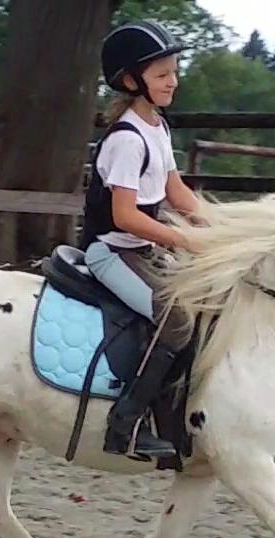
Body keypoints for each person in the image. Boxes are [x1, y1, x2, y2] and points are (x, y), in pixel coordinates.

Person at [81, 20, 201, 461]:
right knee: (176, 322)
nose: (173, 81)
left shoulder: (157, 126)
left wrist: (222, 229)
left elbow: (176, 191)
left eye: (174, 71)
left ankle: (170, 413)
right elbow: (125, 216)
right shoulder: (127, 140)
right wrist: (181, 239)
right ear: (133, 82)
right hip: (110, 251)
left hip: (140, 250)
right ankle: (124, 425)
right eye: (162, 74)